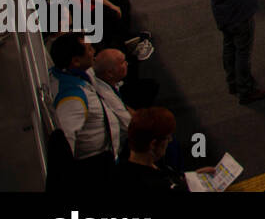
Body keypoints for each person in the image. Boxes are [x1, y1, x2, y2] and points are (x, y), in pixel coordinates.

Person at [50, 33, 130, 190]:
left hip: (107, 159)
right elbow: (65, 143)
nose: (94, 52)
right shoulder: (72, 98)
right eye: (88, 49)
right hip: (94, 170)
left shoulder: (76, 74)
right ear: (76, 61)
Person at [114, 107, 194, 193]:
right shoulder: (153, 185)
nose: (170, 141)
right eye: (168, 138)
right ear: (153, 144)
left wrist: (192, 177)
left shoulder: (119, 169)